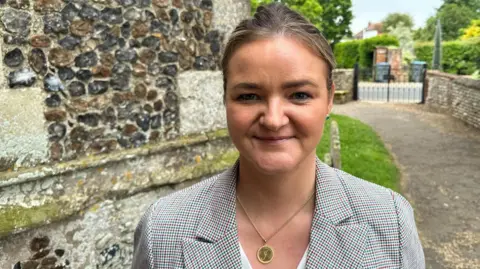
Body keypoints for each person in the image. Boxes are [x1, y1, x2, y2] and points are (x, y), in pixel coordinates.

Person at [132, 3, 425, 268]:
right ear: (225, 99)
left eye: (299, 94)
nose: (273, 120)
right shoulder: (163, 229)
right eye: (248, 96)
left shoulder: (390, 222)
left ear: (329, 98)